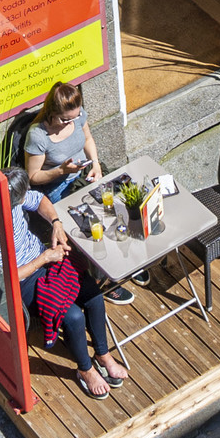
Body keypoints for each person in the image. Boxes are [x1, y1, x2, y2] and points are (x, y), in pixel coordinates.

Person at [0, 165, 130, 402]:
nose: (25, 200)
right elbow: (10, 277)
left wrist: (56, 222)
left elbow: (40, 200)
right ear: (8, 201)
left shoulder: (11, 198)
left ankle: (103, 354)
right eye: (21, 199)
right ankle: (85, 370)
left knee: (93, 294)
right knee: (74, 316)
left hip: (46, 260)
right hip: (25, 279)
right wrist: (45, 258)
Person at [21, 81, 148, 297]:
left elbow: (88, 138)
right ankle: (104, 280)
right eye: (65, 119)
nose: (70, 122)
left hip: (86, 173)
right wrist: (61, 170)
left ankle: (130, 254)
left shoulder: (78, 116)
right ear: (52, 112)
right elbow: (32, 177)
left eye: (75, 117)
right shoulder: (38, 135)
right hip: (59, 187)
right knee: (93, 224)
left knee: (126, 198)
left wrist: (96, 163)